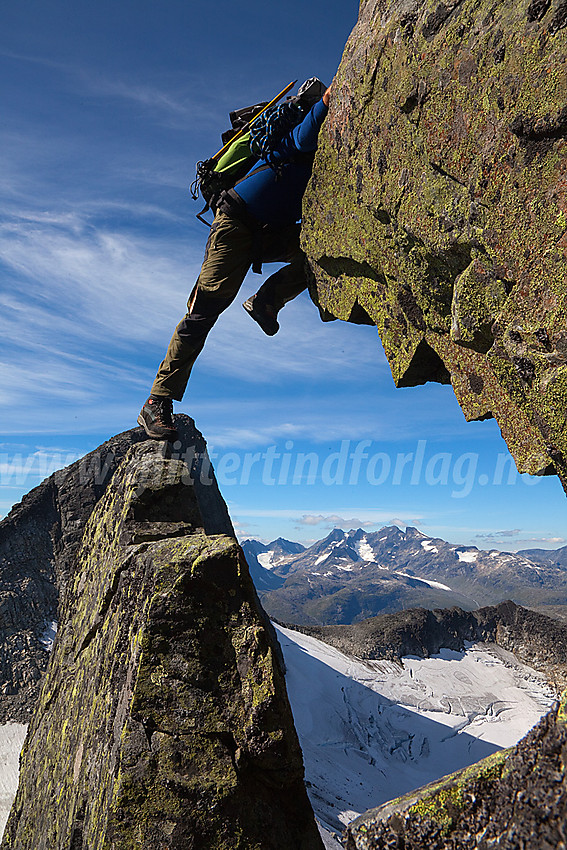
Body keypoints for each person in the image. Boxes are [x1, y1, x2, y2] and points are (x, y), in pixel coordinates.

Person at [138, 79, 332, 441]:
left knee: (320, 251)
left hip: (266, 230)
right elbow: (302, 139)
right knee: (204, 310)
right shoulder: (284, 140)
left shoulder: (322, 156)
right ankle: (157, 401)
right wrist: (325, 103)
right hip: (235, 224)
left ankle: (266, 301)